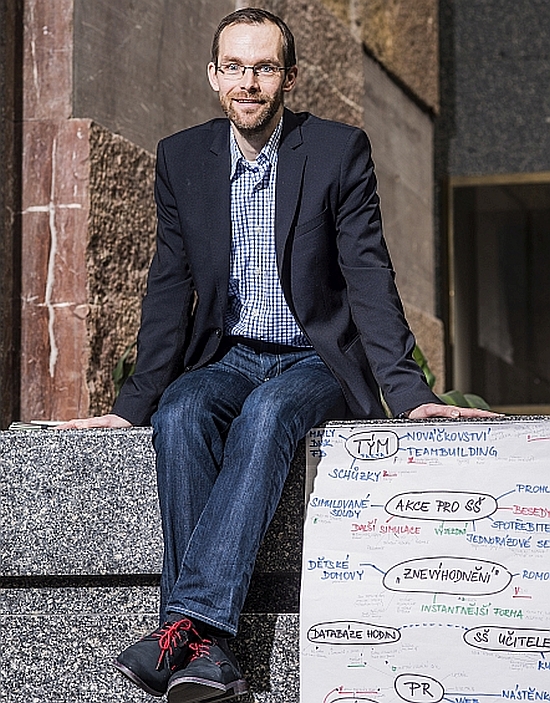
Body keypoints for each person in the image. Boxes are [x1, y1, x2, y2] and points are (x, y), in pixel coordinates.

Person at [58, 8, 497, 703]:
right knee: (180, 411)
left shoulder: (337, 151)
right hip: (228, 356)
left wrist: (408, 393)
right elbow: (169, 286)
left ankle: (182, 625)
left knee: (267, 412)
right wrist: (131, 406)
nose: (248, 82)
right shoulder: (182, 159)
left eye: (264, 67)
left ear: (288, 77)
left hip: (312, 360)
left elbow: (368, 276)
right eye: (234, 66)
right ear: (214, 77)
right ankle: (211, 657)